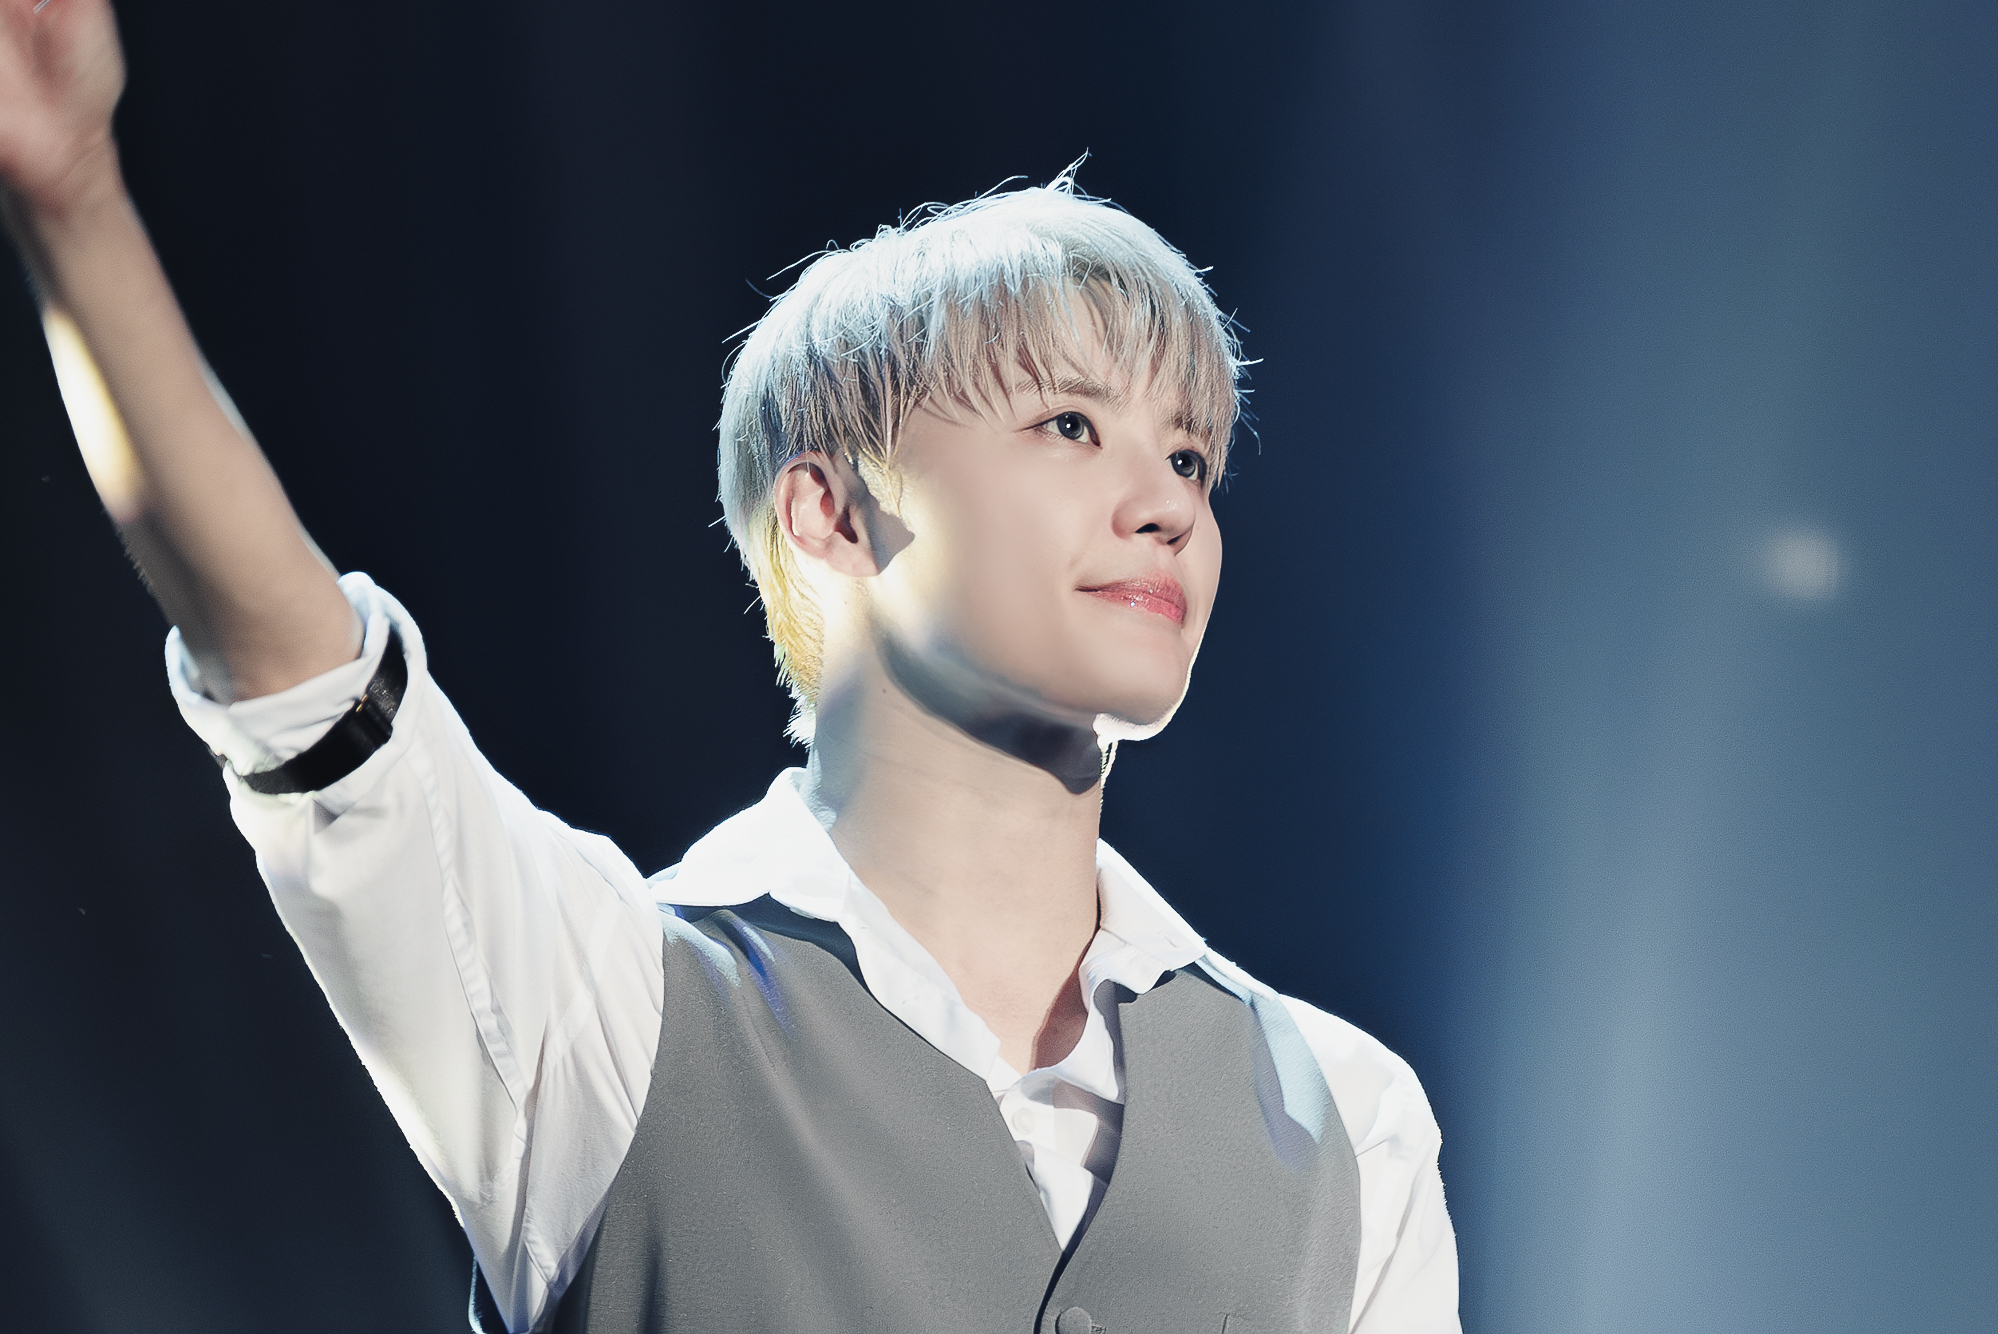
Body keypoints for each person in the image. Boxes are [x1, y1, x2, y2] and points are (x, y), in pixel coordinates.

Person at [1, 1, 1461, 1330]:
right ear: (830, 512)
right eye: (1069, 425)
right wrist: (77, 201)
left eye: (1191, 456)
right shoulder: (604, 1004)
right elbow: (298, 667)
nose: (1169, 505)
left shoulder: (1351, 1118)